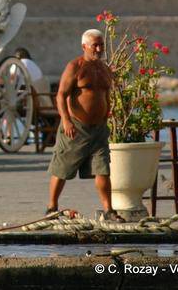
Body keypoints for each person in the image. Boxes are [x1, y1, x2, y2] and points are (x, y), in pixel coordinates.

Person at [46, 29, 124, 222]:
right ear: (84, 47)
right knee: (62, 169)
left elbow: (106, 94)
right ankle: (51, 207)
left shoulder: (104, 68)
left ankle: (109, 210)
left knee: (102, 169)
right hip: (75, 127)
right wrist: (66, 120)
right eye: (94, 45)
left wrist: (107, 114)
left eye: (101, 45)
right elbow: (61, 95)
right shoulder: (75, 66)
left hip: (99, 129)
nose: (99, 49)